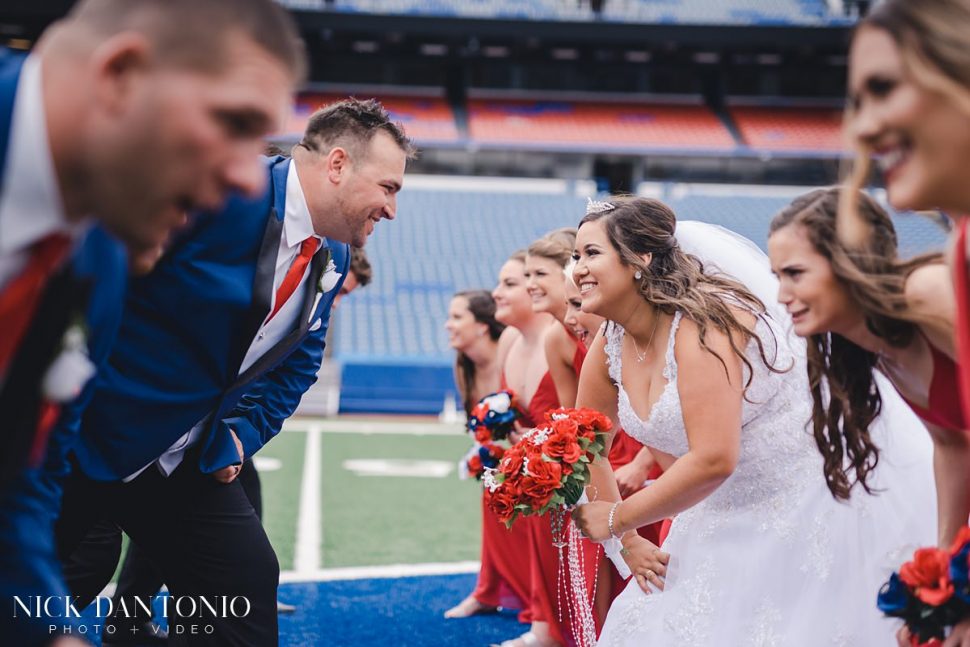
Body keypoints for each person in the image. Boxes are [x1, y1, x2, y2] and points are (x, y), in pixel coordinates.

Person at [54, 99, 413, 644]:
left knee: (241, 582)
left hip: (183, 461)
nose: (391, 209)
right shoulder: (217, 191)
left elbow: (298, 367)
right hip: (85, 439)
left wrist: (241, 438)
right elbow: (85, 275)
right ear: (337, 164)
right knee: (53, 580)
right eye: (388, 188)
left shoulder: (334, 258)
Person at [0, 1, 304, 644]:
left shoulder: (101, 257)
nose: (247, 179)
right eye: (233, 123)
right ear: (120, 74)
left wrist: (50, 632)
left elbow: (19, 483)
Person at [570, 196, 935, 646]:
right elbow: (584, 448)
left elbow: (713, 458)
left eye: (591, 253)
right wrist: (625, 540)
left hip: (804, 498)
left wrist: (617, 517)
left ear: (640, 259)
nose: (577, 269)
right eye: (574, 256)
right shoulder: (608, 347)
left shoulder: (705, 326)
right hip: (716, 509)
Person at [102, 245, 375, 642]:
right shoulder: (276, 263)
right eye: (343, 292)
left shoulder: (317, 287)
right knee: (101, 548)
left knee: (201, 532)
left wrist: (243, 433)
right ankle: (142, 614)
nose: (338, 301)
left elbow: (294, 370)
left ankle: (157, 611)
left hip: (226, 428)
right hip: (184, 421)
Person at [442, 290, 510, 619]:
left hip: (527, 457)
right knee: (490, 508)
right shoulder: (463, 365)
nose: (447, 325)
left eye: (457, 317)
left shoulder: (510, 356)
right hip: (497, 464)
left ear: (482, 326)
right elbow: (477, 425)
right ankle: (486, 592)